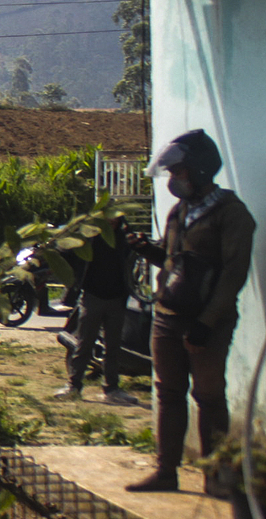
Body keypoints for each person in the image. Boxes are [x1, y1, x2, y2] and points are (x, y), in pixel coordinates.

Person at [123, 130, 256, 492]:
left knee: (209, 396)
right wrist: (143, 248)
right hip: (167, 316)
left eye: (178, 172)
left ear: (198, 170)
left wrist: (206, 323)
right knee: (168, 393)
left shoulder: (233, 214)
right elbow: (170, 258)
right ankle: (166, 471)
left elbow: (233, 275)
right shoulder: (179, 212)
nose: (173, 180)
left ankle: (217, 476)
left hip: (207, 323)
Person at [54, 210, 140, 405]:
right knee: (84, 343)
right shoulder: (90, 237)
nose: (112, 221)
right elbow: (67, 252)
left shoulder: (124, 239)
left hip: (117, 299)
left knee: (113, 347)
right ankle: (73, 385)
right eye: (108, 217)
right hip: (92, 297)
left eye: (115, 217)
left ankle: (112, 389)